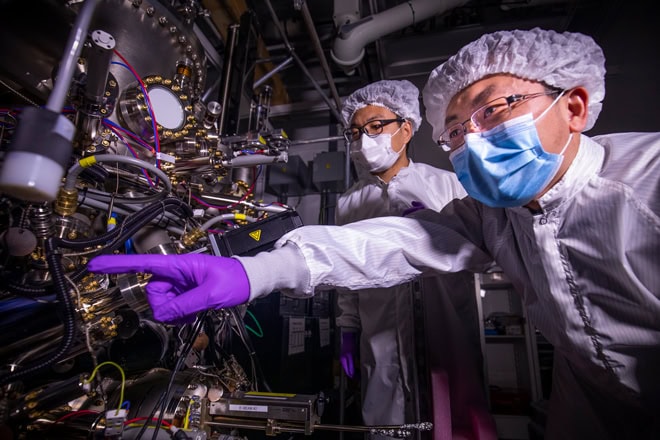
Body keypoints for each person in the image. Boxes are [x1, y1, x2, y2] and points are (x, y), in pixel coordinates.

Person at [89, 27, 660, 439]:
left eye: (495, 110)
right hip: (585, 400)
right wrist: (252, 271)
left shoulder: (647, 184)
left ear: (576, 106)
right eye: (457, 130)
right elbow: (393, 243)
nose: (472, 140)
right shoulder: (492, 214)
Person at [335, 79, 495, 439]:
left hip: (448, 329)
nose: (365, 139)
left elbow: (481, 251)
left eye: (376, 126)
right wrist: (348, 326)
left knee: (455, 421)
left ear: (405, 128)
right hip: (379, 335)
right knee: (387, 425)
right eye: (356, 131)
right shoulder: (348, 203)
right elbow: (344, 272)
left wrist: (435, 231)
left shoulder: (449, 185)